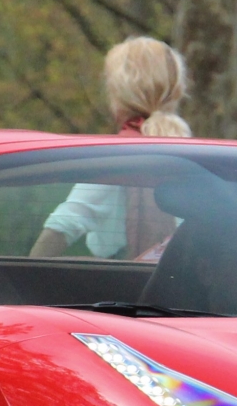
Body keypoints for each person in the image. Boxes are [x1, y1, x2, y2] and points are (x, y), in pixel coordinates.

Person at [31, 37, 191, 261]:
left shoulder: (115, 159)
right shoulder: (199, 160)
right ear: (177, 90)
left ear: (118, 96)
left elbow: (58, 231)